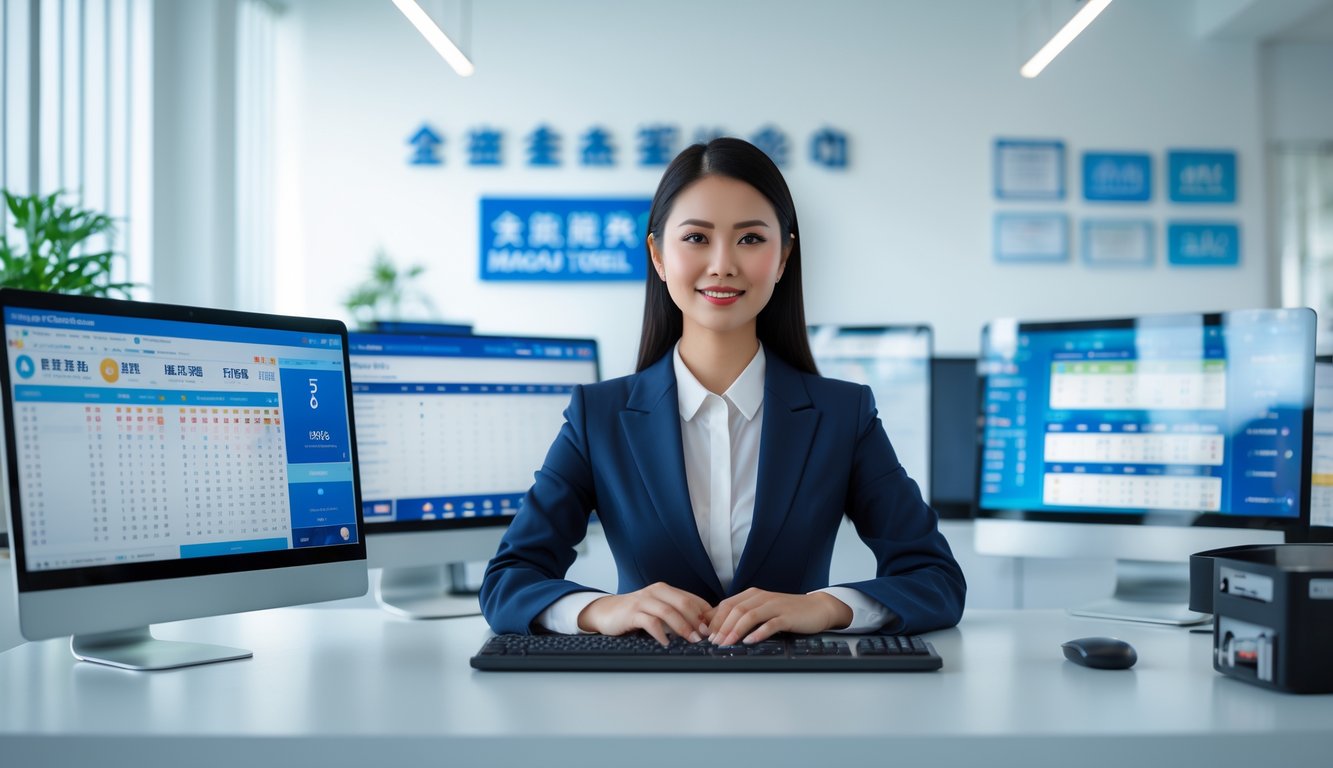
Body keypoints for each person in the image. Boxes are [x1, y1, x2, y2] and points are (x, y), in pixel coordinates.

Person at [480, 137, 965, 645]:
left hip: (801, 700)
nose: (722, 264)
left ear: (783, 257)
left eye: (751, 239)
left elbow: (935, 579)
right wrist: (602, 611)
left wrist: (824, 608)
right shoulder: (598, 416)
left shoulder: (843, 415)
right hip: (642, 699)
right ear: (658, 255)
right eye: (695, 238)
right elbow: (509, 582)